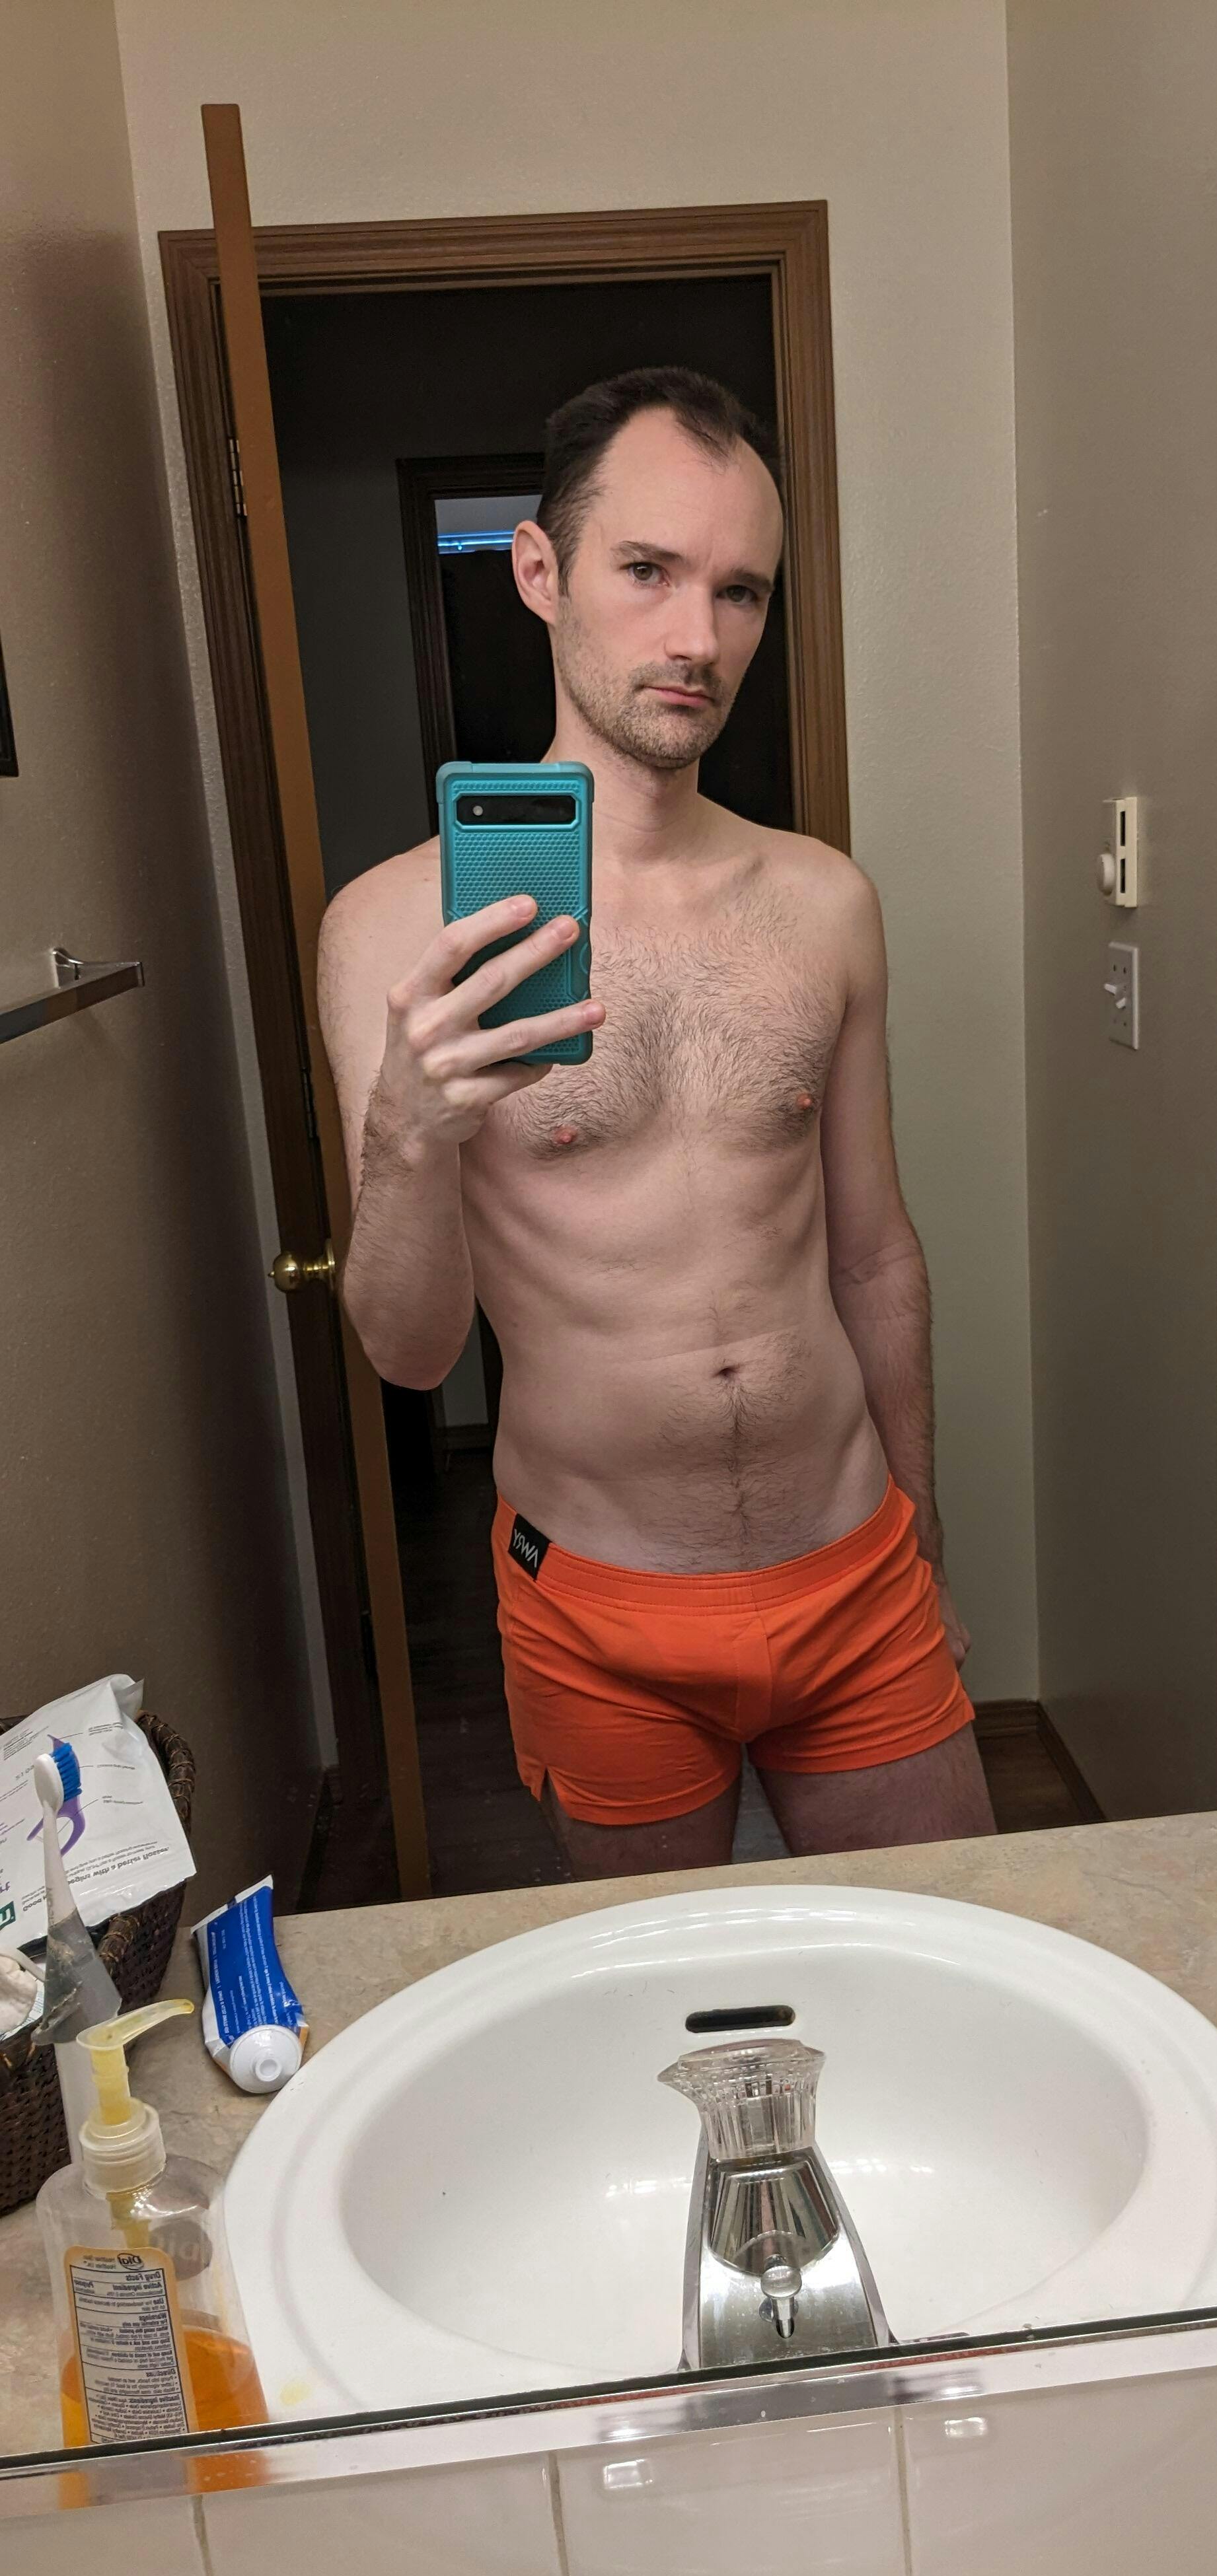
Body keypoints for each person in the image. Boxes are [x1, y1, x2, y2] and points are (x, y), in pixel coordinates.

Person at [319, 365, 995, 1879]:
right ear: (540, 570)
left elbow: (875, 1256)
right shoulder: (387, 933)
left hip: (855, 1569)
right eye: (649, 571)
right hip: (599, 1604)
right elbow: (410, 1353)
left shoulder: (823, 901)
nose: (699, 636)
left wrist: (923, 1530)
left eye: (740, 591)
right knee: (662, 1997)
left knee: (944, 1948)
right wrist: (411, 1134)